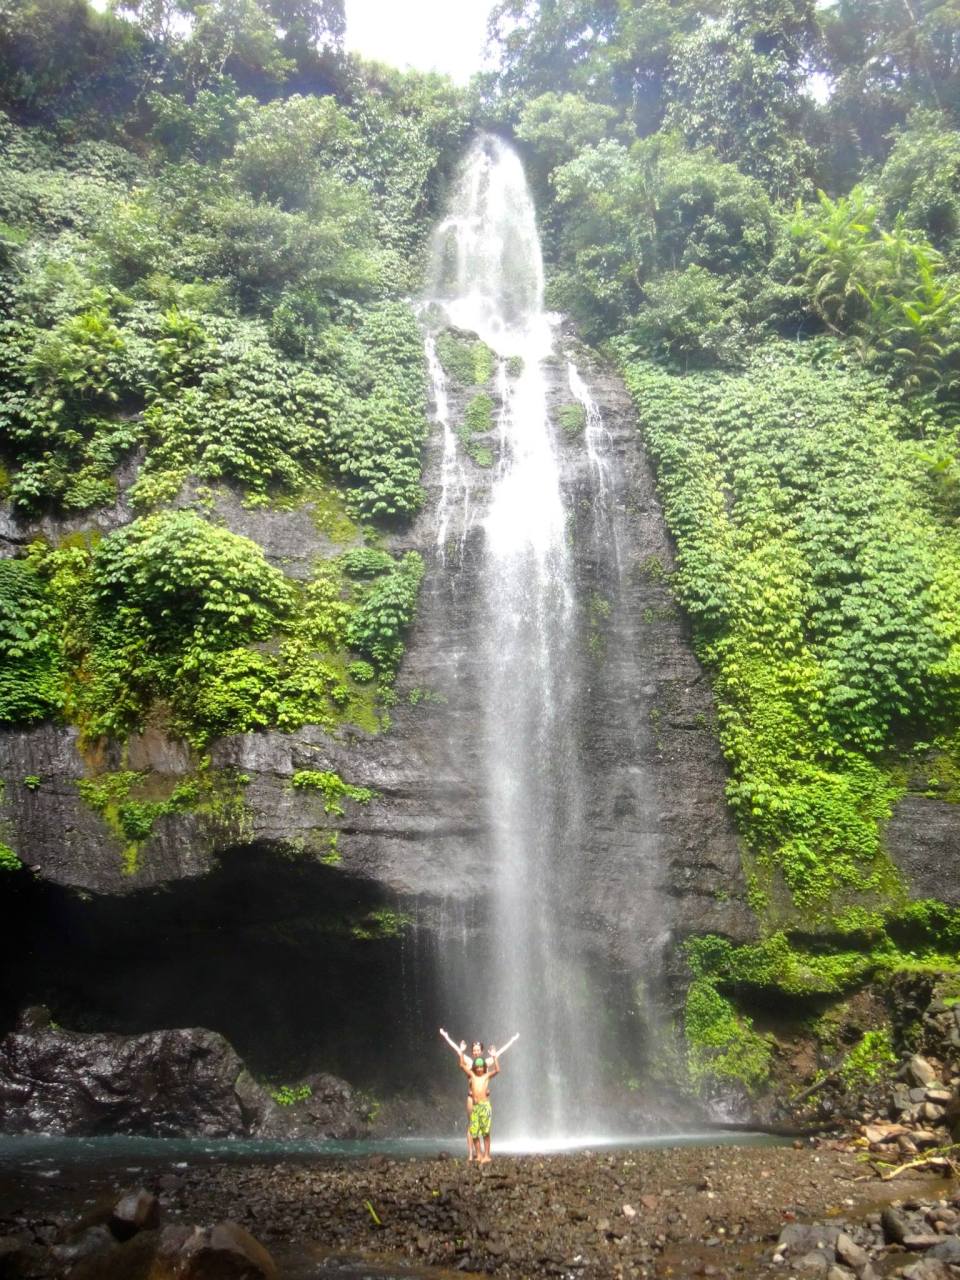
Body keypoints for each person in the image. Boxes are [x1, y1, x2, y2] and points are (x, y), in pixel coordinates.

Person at [439, 1027, 518, 1161]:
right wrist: (446, 1037)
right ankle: (472, 1154)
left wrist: (512, 1040)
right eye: (474, 1050)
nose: (475, 1052)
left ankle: (482, 1154)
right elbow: (457, 1051)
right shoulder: (469, 1062)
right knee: (472, 1125)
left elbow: (499, 1053)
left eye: (477, 1050)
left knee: (483, 1126)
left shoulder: (486, 1063)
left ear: (482, 1051)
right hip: (471, 1098)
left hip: (484, 1099)